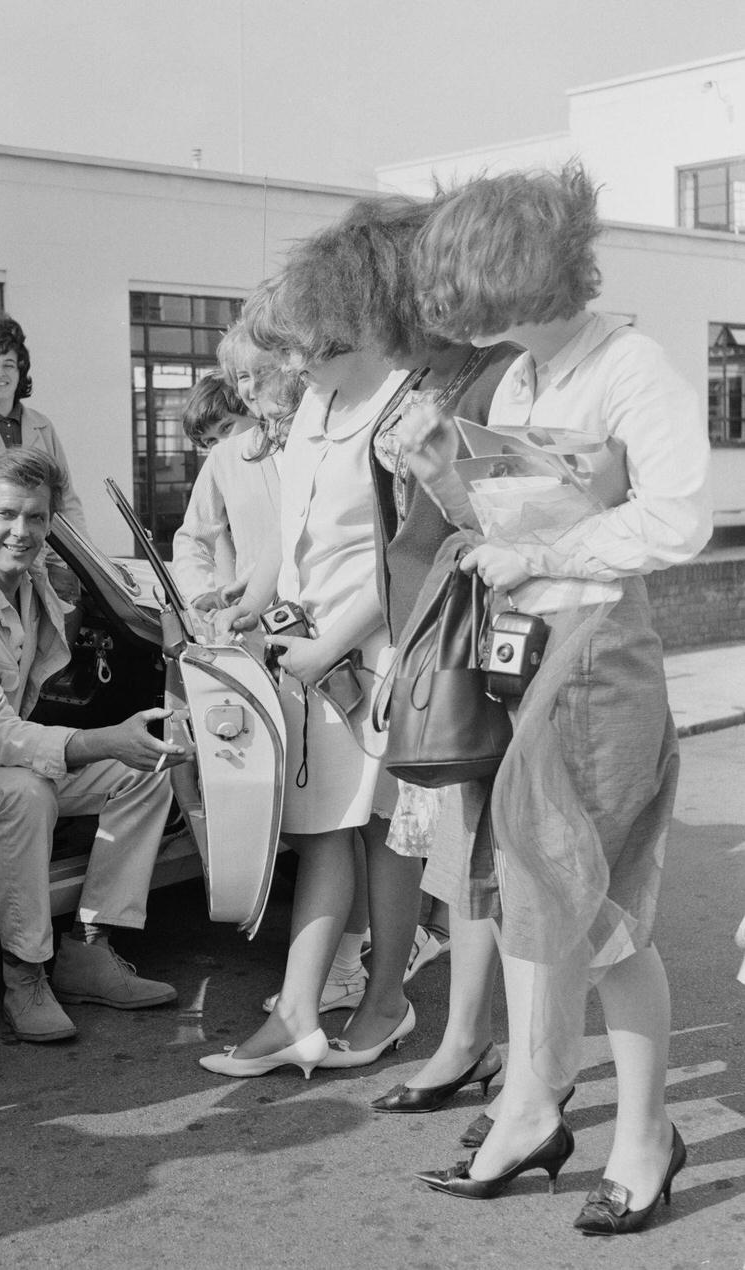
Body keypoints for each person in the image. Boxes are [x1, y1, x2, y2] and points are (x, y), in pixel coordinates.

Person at [400, 165, 710, 1234]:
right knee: (528, 891)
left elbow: (679, 522)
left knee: (605, 907)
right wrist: (444, 477)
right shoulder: (521, 378)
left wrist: (549, 547)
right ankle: (533, 1103)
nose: (465, 320)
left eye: (474, 294)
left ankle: (641, 1133)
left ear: (520, 274)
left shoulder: (632, 366)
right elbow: (501, 531)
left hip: (598, 648)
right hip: (530, 647)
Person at [274, 194, 520, 1120]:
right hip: (425, 635)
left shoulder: (487, 378)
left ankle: (479, 1043)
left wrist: (443, 479)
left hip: (476, 638)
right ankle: (469, 1038)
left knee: (486, 855)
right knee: (461, 857)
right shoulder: (429, 381)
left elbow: (509, 518)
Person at [0, 448, 184, 1043]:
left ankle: (90, 949)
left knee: (145, 769)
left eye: (38, 518)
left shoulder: (31, 569)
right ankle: (25, 975)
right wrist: (102, 739)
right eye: (7, 515)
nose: (22, 533)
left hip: (2, 751)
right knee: (24, 792)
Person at [201, 255, 415, 1078]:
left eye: (292, 348)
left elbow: (407, 553)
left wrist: (331, 646)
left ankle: (383, 1002)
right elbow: (291, 539)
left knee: (385, 828)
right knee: (324, 826)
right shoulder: (322, 404)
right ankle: (298, 1012)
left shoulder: (400, 404)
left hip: (374, 651)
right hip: (310, 650)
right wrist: (251, 602)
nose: (286, 369)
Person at [0, 311, 88, 535]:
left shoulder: (42, 426)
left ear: (20, 369)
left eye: (9, 364)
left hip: (42, 556)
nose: (0, 373)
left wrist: (84, 561)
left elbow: (66, 500)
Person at [170, 371, 269, 618]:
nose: (222, 444)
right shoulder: (220, 462)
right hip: (252, 609)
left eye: (227, 427)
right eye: (210, 441)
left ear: (253, 408)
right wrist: (201, 591)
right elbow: (191, 537)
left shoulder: (288, 448)